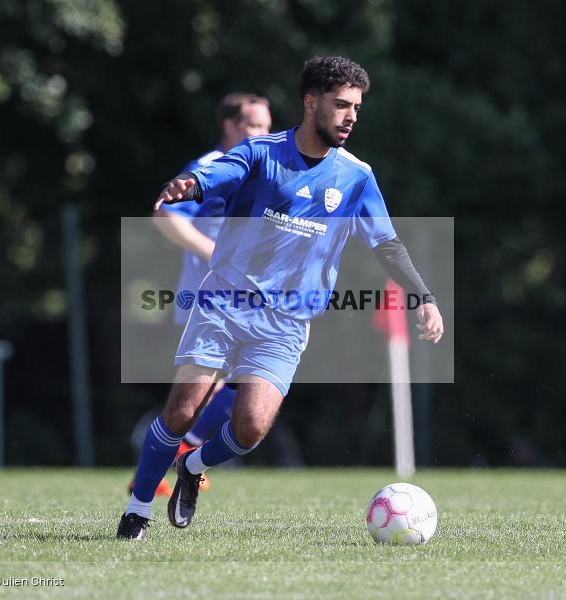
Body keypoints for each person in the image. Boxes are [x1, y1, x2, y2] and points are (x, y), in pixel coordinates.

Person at [118, 56, 444, 541]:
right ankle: (136, 513)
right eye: (341, 105)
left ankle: (193, 466)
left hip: (288, 321)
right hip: (224, 304)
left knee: (250, 428)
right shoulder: (260, 153)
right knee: (181, 411)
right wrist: (191, 184)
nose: (351, 115)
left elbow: (386, 243)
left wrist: (424, 296)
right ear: (311, 103)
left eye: (357, 106)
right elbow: (215, 175)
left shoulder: (357, 177)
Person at [130, 93, 272, 498]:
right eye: (253, 126)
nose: (262, 134)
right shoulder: (210, 168)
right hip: (210, 304)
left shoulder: (261, 170)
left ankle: (178, 461)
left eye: (266, 126)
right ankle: (160, 473)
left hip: (251, 304)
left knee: (239, 394)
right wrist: (212, 251)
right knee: (203, 398)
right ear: (229, 127)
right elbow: (164, 213)